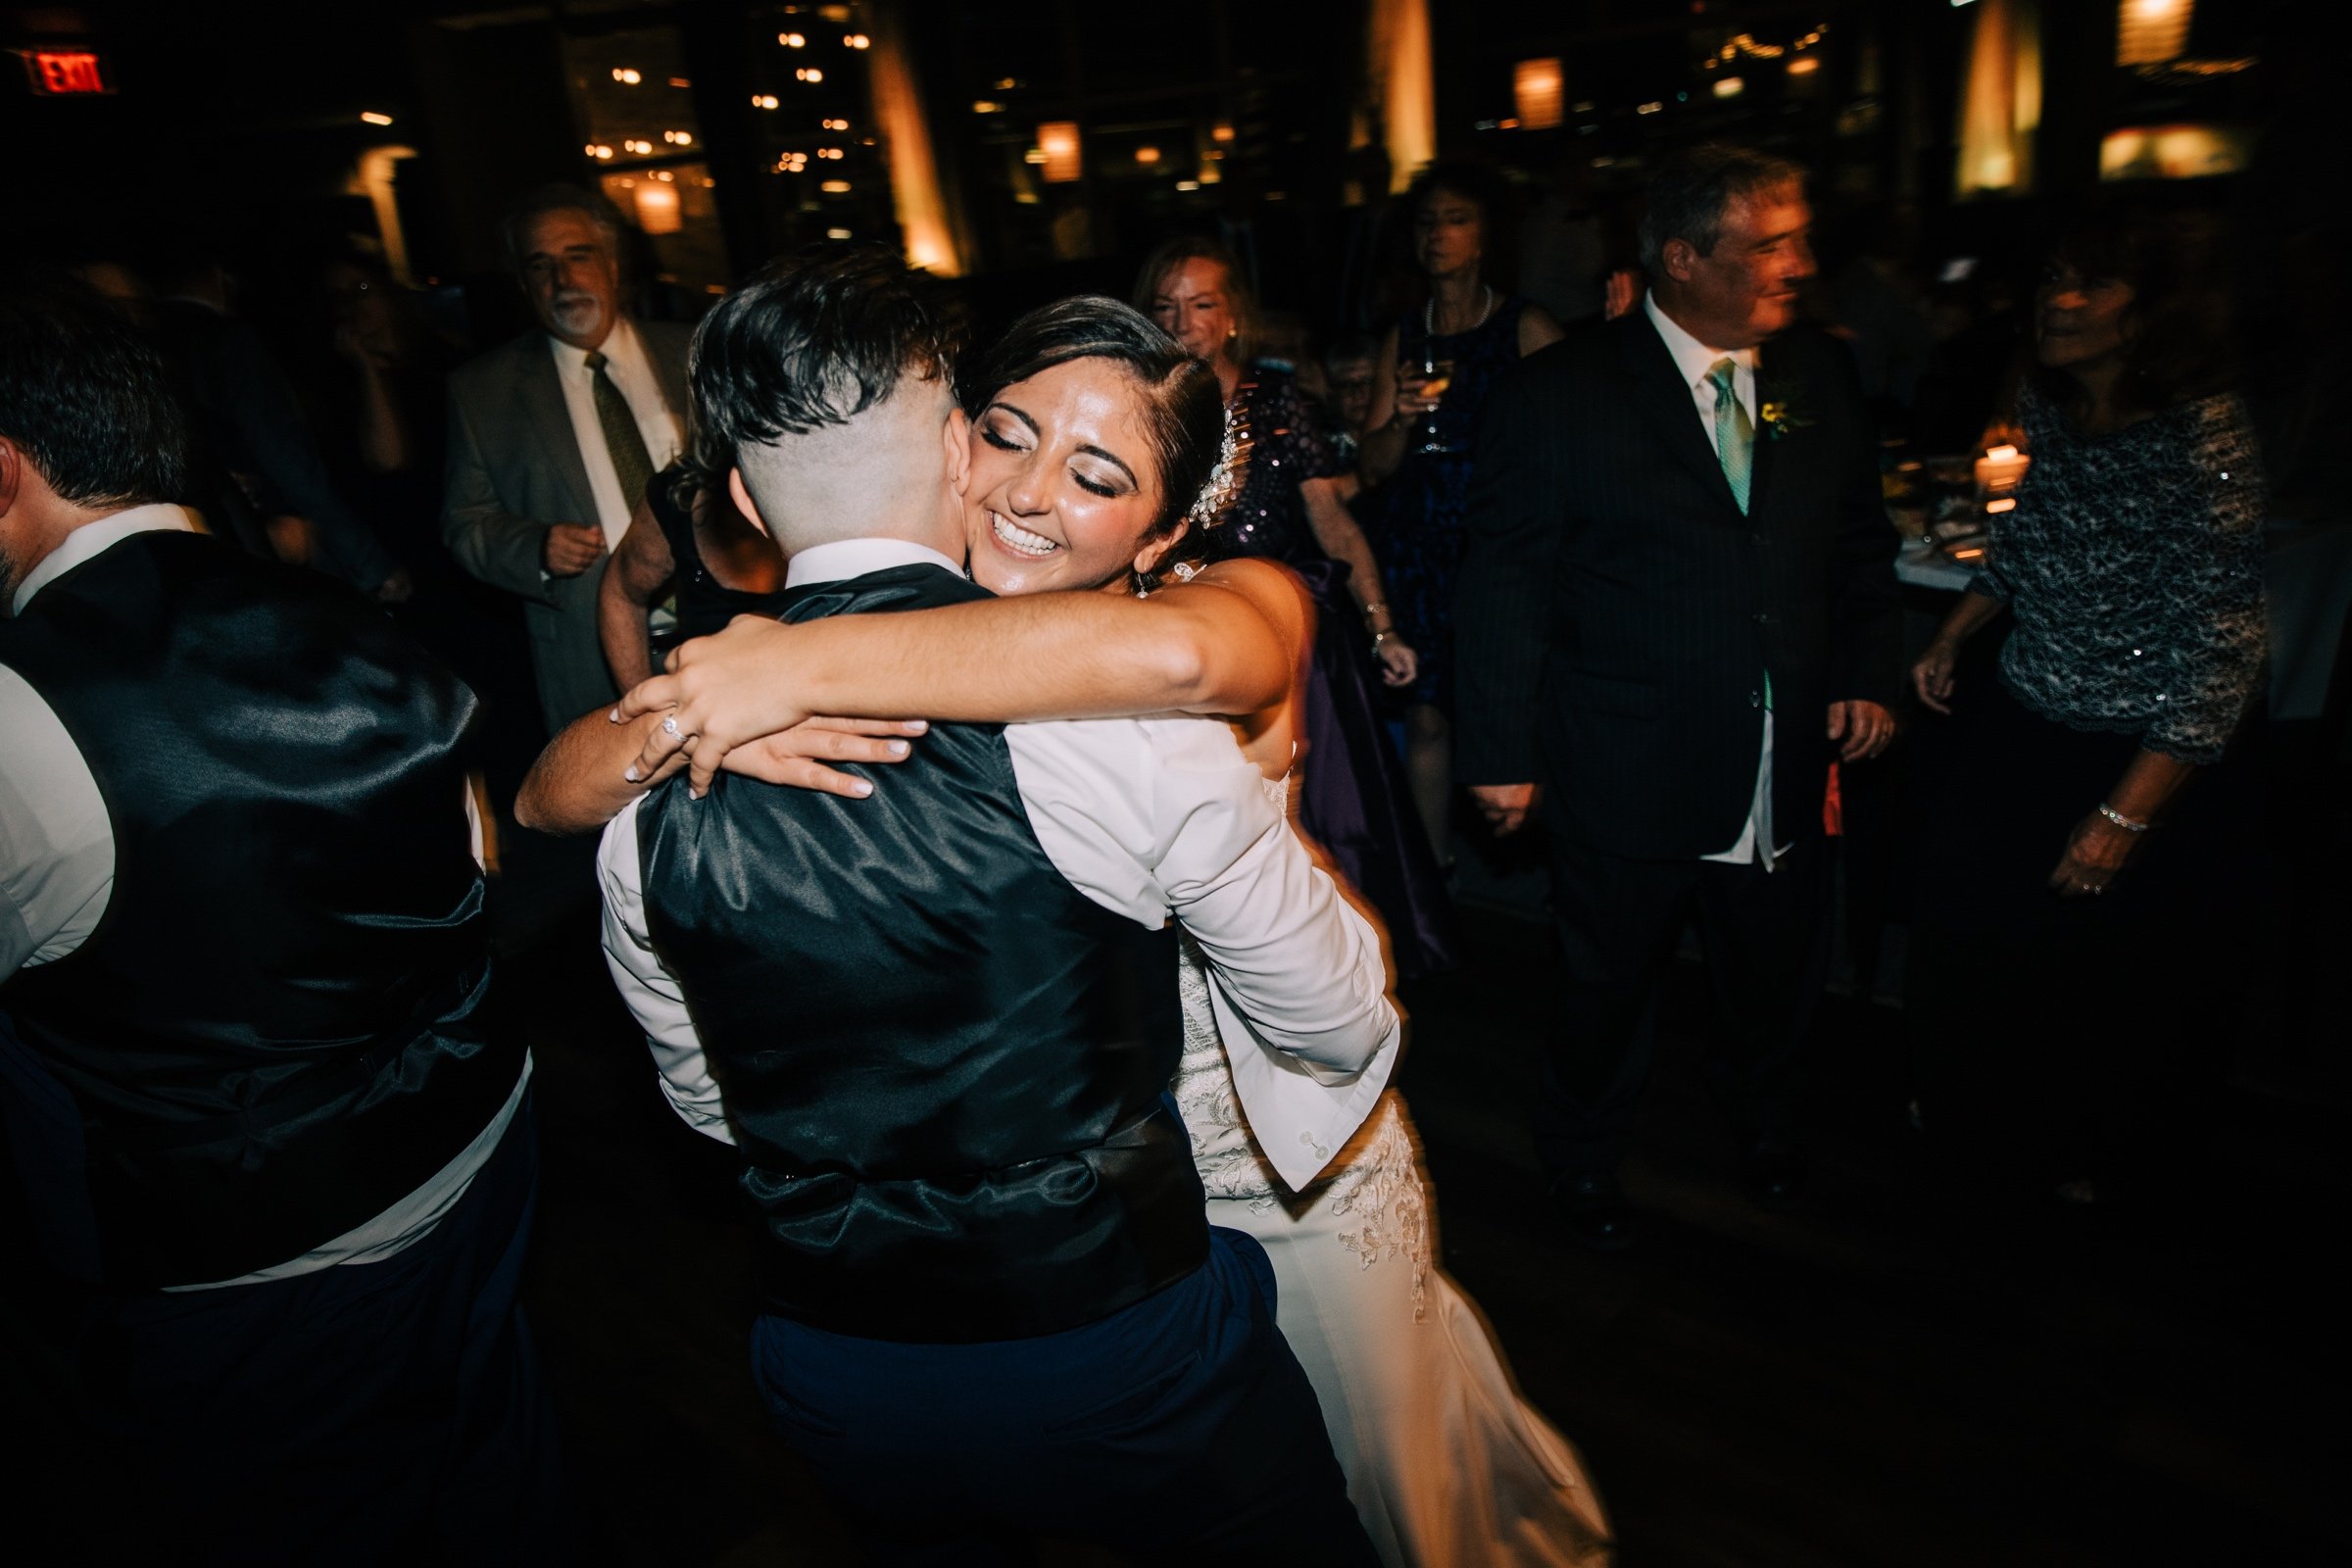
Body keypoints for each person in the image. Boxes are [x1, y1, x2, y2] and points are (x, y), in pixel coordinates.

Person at [532, 294, 1615, 1567]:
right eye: (1007, 432)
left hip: (1267, 1156)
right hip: (1054, 1259)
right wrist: (714, 701)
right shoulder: (814, 661)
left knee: (1379, 1483)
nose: (1029, 495)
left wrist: (792, 668)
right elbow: (551, 794)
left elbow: (1173, 685)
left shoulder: (1226, 609)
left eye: (1097, 475)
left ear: (1161, 530)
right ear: (946, 445)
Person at [0, 276, 551, 1561]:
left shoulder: (23, 712)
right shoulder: (370, 630)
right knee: (501, 1469)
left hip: (258, 1258)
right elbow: (472, 872)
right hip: (480, 1151)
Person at [1454, 144, 1903, 1251]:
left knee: (1777, 974)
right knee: (1606, 985)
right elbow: (1504, 581)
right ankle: (1584, 1153)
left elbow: (1858, 542)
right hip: (1628, 757)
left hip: (1785, 754)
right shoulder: (1560, 395)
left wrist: (1866, 670)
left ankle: (1764, 1124)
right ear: (1681, 258)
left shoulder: (1820, 373)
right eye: (1770, 245)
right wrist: (1499, 748)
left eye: (1802, 236)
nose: (1799, 264)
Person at [1905, 211, 2267, 1206]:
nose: (2057, 302)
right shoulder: (2050, 404)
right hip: (2028, 716)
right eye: (2053, 279)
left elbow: (2224, 654)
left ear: (2149, 316)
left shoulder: (2203, 433)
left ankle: (2084, 1158)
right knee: (1974, 927)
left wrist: (2122, 819)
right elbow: (2023, 550)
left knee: (2101, 977)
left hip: (2135, 749)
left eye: (2091, 285)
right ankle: (1975, 1124)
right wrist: (1951, 634)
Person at [1140, 235, 1457, 978]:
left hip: (1289, 643)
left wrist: (1381, 627)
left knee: (1322, 823)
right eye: (1166, 306)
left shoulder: (1278, 399)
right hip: (1177, 650)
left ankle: (1330, 979)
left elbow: (1333, 519)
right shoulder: (1139, 404)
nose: (1184, 322)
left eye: (1202, 304)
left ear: (1233, 316)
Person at [1360, 162, 1566, 864]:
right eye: (1427, 222)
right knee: (1425, 714)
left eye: (1455, 219)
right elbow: (1374, 464)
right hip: (1420, 542)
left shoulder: (1523, 326)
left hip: (1499, 542)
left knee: (1515, 704)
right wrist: (1404, 423)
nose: (1438, 235)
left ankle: (1556, 859)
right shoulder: (1404, 338)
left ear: (1483, 237)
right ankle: (1433, 882)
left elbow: (1582, 435)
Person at [443, 184, 691, 737]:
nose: (563, 279)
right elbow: (465, 523)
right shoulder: (483, 392)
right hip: (586, 659)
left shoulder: (695, 351)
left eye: (577, 255)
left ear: (612, 262)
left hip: (722, 632)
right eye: (540, 264)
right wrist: (534, 548)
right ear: (523, 282)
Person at [149, 244, 413, 603]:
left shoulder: (149, 338)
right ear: (223, 276)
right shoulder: (236, 344)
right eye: (337, 297)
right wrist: (369, 563)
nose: (351, 306)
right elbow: (286, 455)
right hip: (285, 545)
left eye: (361, 290)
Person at [597, 458, 785, 690]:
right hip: (708, 714)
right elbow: (622, 594)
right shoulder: (682, 496)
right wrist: (643, 711)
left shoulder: (832, 503)